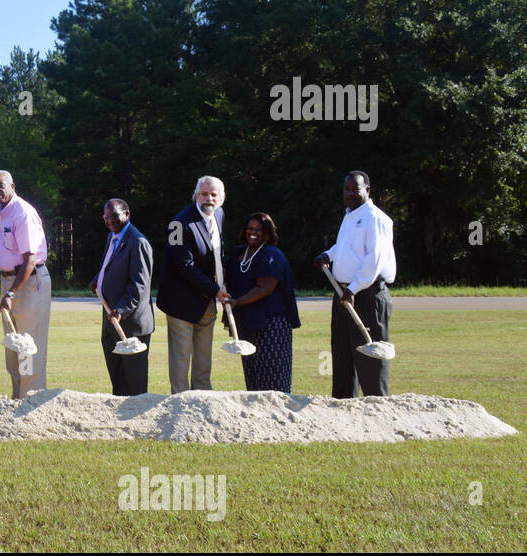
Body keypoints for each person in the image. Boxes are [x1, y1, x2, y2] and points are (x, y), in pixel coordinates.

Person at [315, 171, 396, 398]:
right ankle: (343, 407)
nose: (350, 193)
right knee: (342, 355)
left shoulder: (375, 218)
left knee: (370, 355)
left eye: (355, 189)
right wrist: (328, 255)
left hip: (366, 294)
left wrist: (354, 288)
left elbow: (374, 259)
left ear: (367, 190)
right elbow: (345, 247)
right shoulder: (350, 215)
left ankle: (377, 406)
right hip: (343, 292)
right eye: (347, 189)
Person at [156, 175, 231, 393]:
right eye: (204, 194)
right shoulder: (177, 224)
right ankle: (179, 402)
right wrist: (216, 290)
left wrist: (223, 278)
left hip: (207, 300)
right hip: (180, 302)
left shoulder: (219, 214)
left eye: (213, 195)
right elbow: (184, 266)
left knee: (204, 358)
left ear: (221, 198)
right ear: (196, 196)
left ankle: (203, 401)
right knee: (181, 359)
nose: (209, 199)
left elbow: (217, 252)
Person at [0, 170, 51, 399]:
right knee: (13, 344)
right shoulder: (1, 210)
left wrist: (11, 293)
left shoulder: (22, 213)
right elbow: (6, 243)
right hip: (8, 281)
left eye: (0, 186)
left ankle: (31, 400)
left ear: (12, 186)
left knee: (27, 345)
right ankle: (17, 397)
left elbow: (30, 259)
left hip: (29, 283)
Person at [226, 212, 301, 393]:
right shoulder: (239, 253)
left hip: (271, 325)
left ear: (268, 232)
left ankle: (279, 417)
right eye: (250, 229)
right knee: (253, 378)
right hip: (248, 323)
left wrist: (237, 301)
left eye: (259, 230)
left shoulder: (271, 255)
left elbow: (265, 288)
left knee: (273, 380)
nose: (253, 233)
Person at [90, 198, 154, 396]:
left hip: (131, 324)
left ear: (127, 214)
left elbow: (140, 285)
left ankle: (137, 423)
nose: (110, 220)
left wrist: (121, 310)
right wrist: (97, 280)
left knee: (134, 385)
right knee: (117, 381)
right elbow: (108, 266)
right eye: (106, 217)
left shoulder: (138, 242)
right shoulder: (112, 237)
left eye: (114, 216)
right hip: (111, 321)